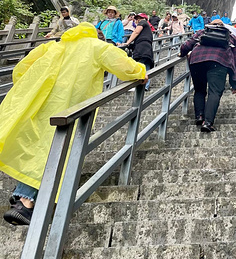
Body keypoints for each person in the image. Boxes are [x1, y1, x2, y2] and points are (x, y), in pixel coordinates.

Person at [0, 23, 147, 225]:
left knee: (36, 151)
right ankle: (25, 203)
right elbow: (124, 66)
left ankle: (22, 195)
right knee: (49, 152)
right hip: (69, 107)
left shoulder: (54, 46)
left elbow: (21, 69)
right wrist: (141, 72)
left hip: (41, 105)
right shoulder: (97, 47)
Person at [179, 19, 236, 132]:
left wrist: (182, 53)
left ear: (209, 26)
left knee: (199, 90)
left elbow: (186, 45)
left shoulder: (202, 32)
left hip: (197, 61)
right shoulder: (230, 36)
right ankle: (207, 123)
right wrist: (235, 81)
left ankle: (200, 116)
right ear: (224, 27)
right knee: (215, 91)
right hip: (219, 61)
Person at [122, 13, 154, 90]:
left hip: (142, 49)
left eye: (139, 18)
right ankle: (145, 86)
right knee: (146, 66)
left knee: (137, 65)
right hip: (147, 48)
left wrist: (127, 42)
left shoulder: (143, 22)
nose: (137, 20)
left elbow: (136, 32)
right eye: (136, 19)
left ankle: (135, 84)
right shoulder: (147, 29)